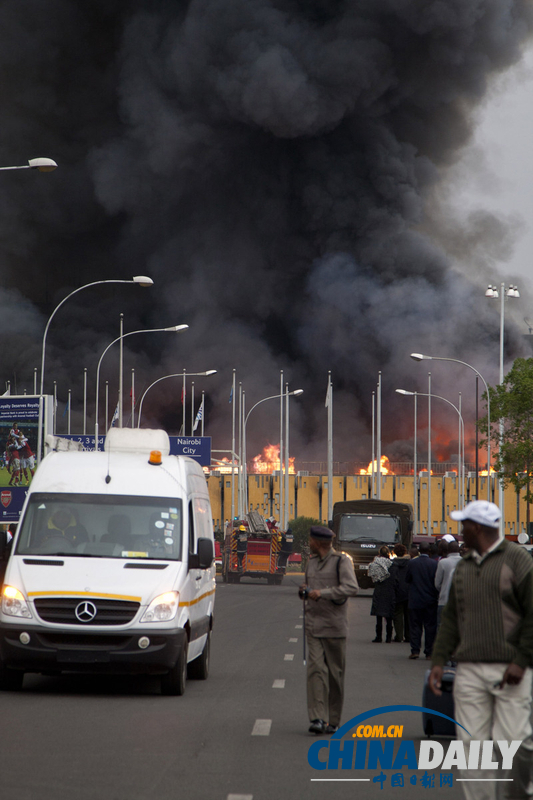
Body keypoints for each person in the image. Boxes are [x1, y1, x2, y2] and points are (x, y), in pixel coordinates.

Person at [429, 500, 533, 799]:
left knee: (515, 743)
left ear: (477, 528)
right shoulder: (463, 567)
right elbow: (451, 618)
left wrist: (522, 660)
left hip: (511, 669)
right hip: (469, 670)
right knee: (472, 748)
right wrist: (439, 660)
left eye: (464, 526)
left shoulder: (518, 559)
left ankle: (519, 794)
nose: (461, 532)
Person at [299, 525, 359, 735]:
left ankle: (333, 720)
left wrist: (322, 593)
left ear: (318, 542)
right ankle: (317, 718)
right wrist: (304, 591)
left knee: (335, 675)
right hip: (313, 625)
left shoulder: (341, 561)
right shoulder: (311, 563)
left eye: (311, 540)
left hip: (335, 626)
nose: (309, 543)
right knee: (315, 671)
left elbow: (351, 587)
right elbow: (308, 587)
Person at [405, 541, 438, 659]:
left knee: (415, 626)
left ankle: (415, 651)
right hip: (430, 600)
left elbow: (407, 579)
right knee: (430, 627)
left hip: (415, 599)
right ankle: (429, 652)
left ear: (419, 551)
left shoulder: (412, 563)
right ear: (429, 551)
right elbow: (436, 581)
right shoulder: (434, 564)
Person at [368, 546, 395, 643]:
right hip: (389, 591)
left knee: (378, 615)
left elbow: (372, 579)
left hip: (379, 590)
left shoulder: (374, 564)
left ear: (379, 553)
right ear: (388, 553)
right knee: (389, 616)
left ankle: (378, 636)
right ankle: (388, 637)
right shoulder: (392, 564)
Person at [434, 538, 462, 627]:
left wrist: (443, 589)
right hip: (461, 601)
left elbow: (437, 584)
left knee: (442, 627)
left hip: (444, 600)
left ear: (448, 550)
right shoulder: (465, 562)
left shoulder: (442, 563)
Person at [389, 543, 411, 642]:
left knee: (397, 614)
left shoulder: (392, 563)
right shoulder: (410, 563)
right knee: (408, 615)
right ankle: (408, 636)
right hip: (408, 591)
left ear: (394, 552)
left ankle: (399, 636)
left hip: (397, 591)